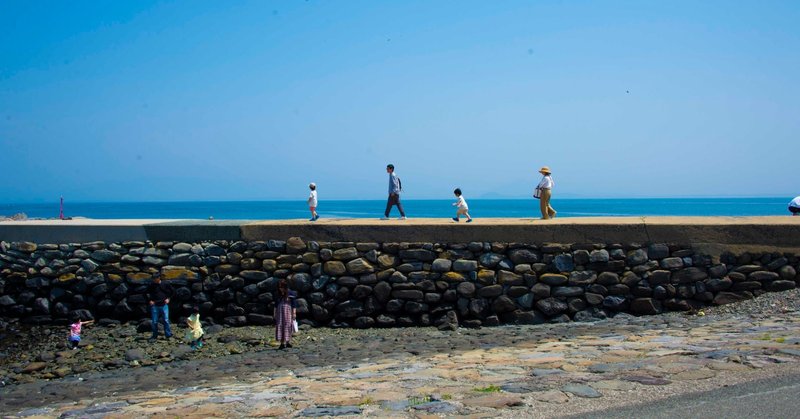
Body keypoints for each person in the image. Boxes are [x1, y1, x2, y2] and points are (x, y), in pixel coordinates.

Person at [147, 272, 174, 342]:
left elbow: (173, 292)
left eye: (155, 278)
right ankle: (154, 335)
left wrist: (169, 298)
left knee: (166, 320)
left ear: (159, 278)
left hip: (164, 305)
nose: (154, 280)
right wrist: (150, 300)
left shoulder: (165, 284)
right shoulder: (151, 285)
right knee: (154, 321)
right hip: (155, 306)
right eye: (153, 278)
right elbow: (146, 293)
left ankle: (168, 334)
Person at [273, 278, 297, 349]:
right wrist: (274, 314)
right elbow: (275, 305)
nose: (281, 289)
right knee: (280, 325)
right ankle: (282, 343)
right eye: (280, 287)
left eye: (282, 287)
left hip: (288, 312)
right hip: (280, 312)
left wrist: (294, 313)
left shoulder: (291, 293)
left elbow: (294, 304)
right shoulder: (278, 294)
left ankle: (288, 342)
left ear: (285, 287)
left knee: (288, 325)